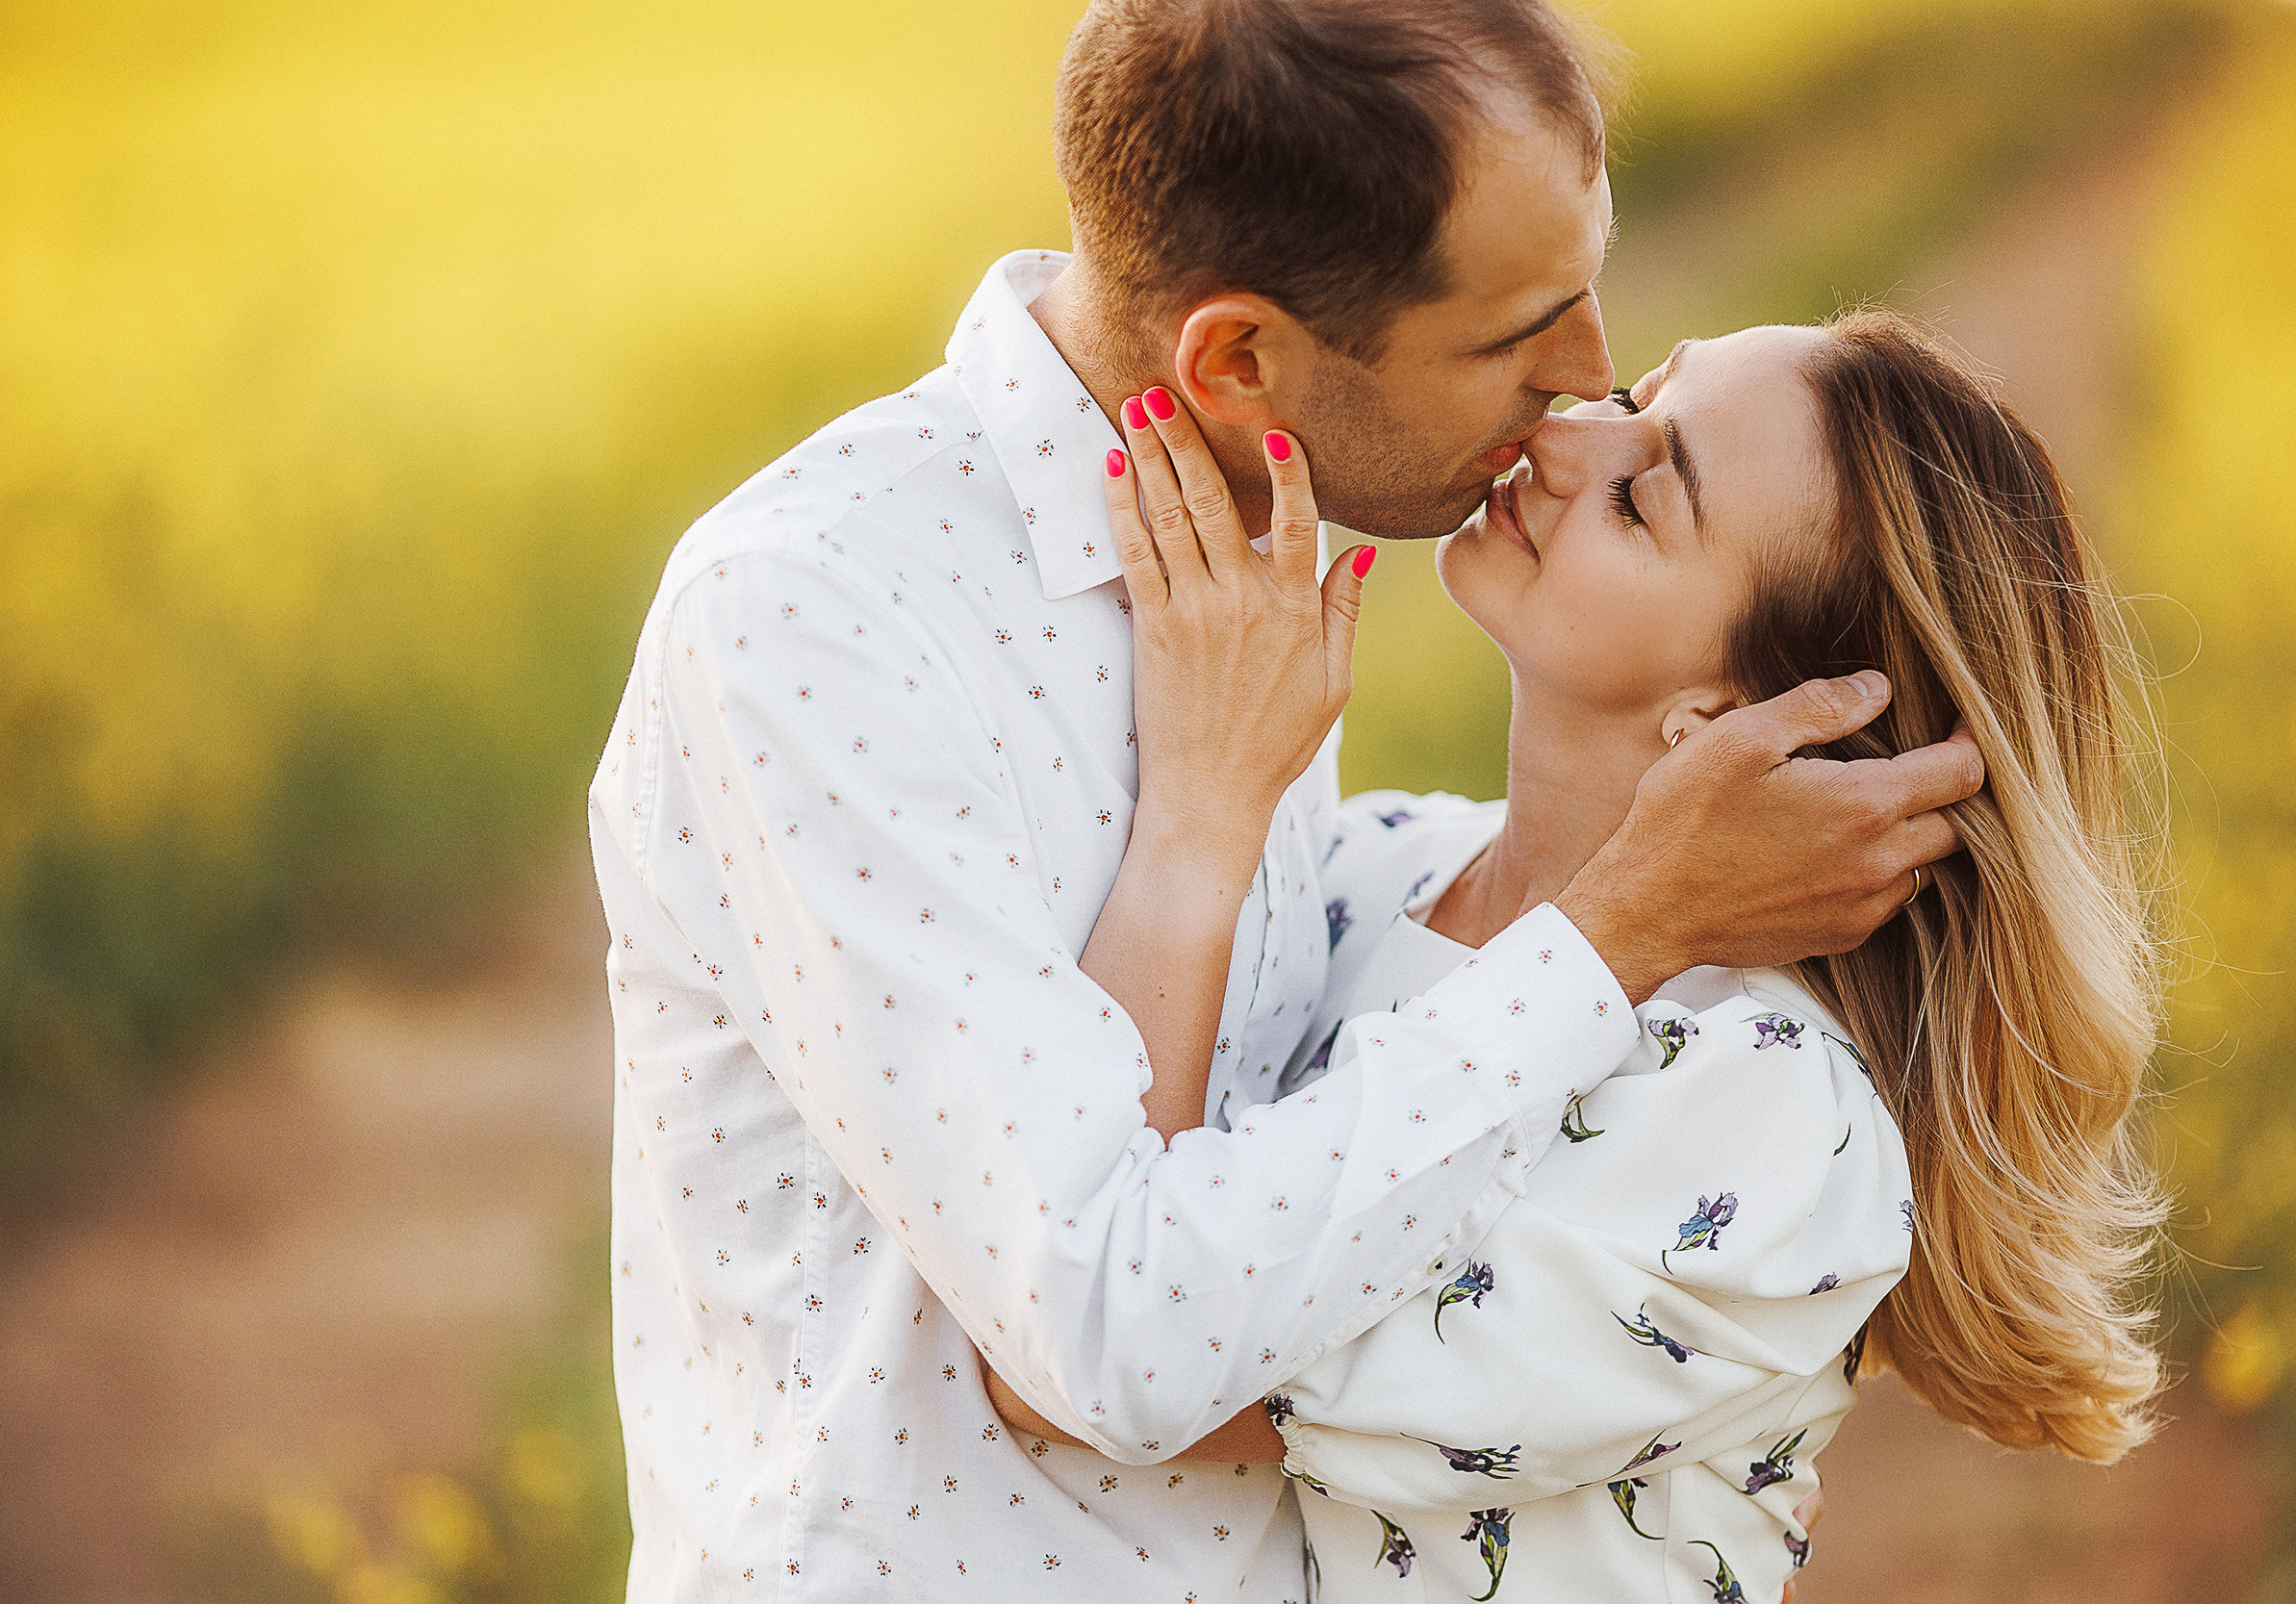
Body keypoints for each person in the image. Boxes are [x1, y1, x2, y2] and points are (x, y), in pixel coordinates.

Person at [586, 1, 1983, 1594]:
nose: (1585, 382)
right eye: (1512, 335)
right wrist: (1624, 920)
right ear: (1239, 361)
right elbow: (1101, 1326)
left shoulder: (1252, 550)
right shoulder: (828, 619)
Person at [987, 313, 2163, 1601]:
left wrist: (1202, 811)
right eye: (1642, 394)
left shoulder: (1762, 1105)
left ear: (1734, 720)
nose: (1562, 438)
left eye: (1643, 495)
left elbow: (1106, 1366)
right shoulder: (1378, 872)